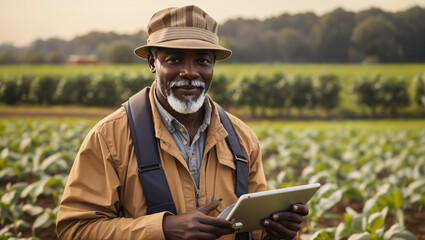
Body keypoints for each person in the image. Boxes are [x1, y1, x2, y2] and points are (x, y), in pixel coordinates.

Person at [56, 5, 309, 240]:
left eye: (203, 61)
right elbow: (75, 228)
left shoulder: (242, 139)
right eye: (174, 60)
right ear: (151, 62)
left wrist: (280, 231)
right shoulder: (109, 137)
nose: (190, 72)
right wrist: (163, 229)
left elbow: (255, 230)